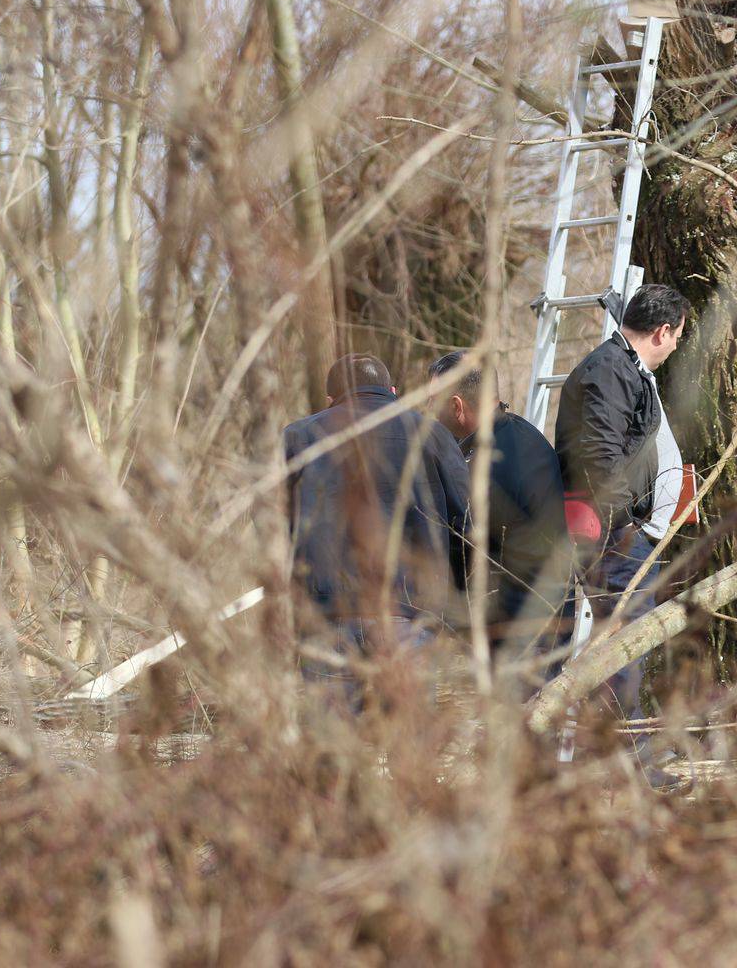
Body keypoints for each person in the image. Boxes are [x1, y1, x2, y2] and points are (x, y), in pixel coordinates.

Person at [284, 353, 471, 700]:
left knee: (334, 744)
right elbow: (466, 522)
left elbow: (270, 527)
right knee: (411, 744)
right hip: (410, 614)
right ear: (393, 390)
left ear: (330, 400)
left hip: (327, 615)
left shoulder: (298, 438)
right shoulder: (432, 435)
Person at [554, 284, 691, 730]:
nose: (675, 347)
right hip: (616, 539)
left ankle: (621, 762)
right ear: (662, 331)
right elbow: (598, 458)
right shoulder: (611, 370)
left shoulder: (625, 368)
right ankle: (626, 766)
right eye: (676, 336)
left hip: (625, 534)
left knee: (625, 649)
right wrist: (626, 529)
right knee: (624, 651)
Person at [427, 351, 572, 655]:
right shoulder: (520, 435)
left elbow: (461, 542)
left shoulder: (490, 461)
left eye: (433, 401)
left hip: (519, 632)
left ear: (456, 406)